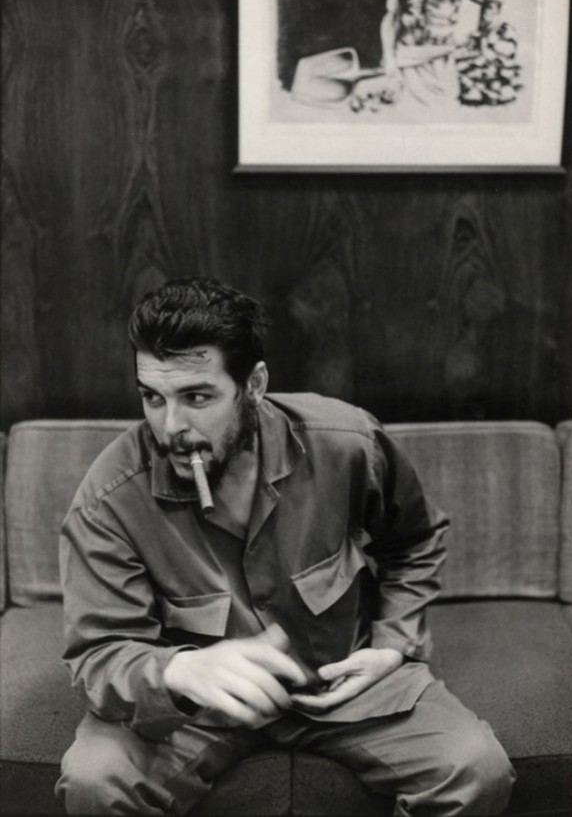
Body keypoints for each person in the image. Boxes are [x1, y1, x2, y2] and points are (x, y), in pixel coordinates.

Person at [56, 276, 515, 815]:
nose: (171, 426)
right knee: (96, 782)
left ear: (253, 385)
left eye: (197, 396)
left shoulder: (347, 442)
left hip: (340, 684)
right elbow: (100, 653)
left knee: (476, 771)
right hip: (196, 709)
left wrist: (393, 643)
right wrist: (177, 672)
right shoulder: (108, 497)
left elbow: (415, 539)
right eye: (153, 398)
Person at [352, 0, 504, 113]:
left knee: (416, 112)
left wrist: (389, 59)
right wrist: (481, 36)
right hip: (432, 55)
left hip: (411, 54)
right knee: (439, 111)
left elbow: (390, 18)